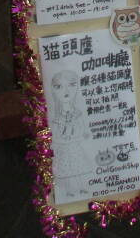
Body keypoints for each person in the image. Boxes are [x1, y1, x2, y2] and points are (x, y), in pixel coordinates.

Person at [49, 70, 92, 200]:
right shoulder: (56, 114)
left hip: (73, 144)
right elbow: (55, 131)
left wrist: (84, 133)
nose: (65, 91)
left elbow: (82, 126)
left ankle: (82, 187)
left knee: (77, 167)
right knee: (67, 169)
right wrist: (59, 139)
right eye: (59, 87)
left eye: (71, 85)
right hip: (63, 146)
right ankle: (69, 191)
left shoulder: (76, 111)